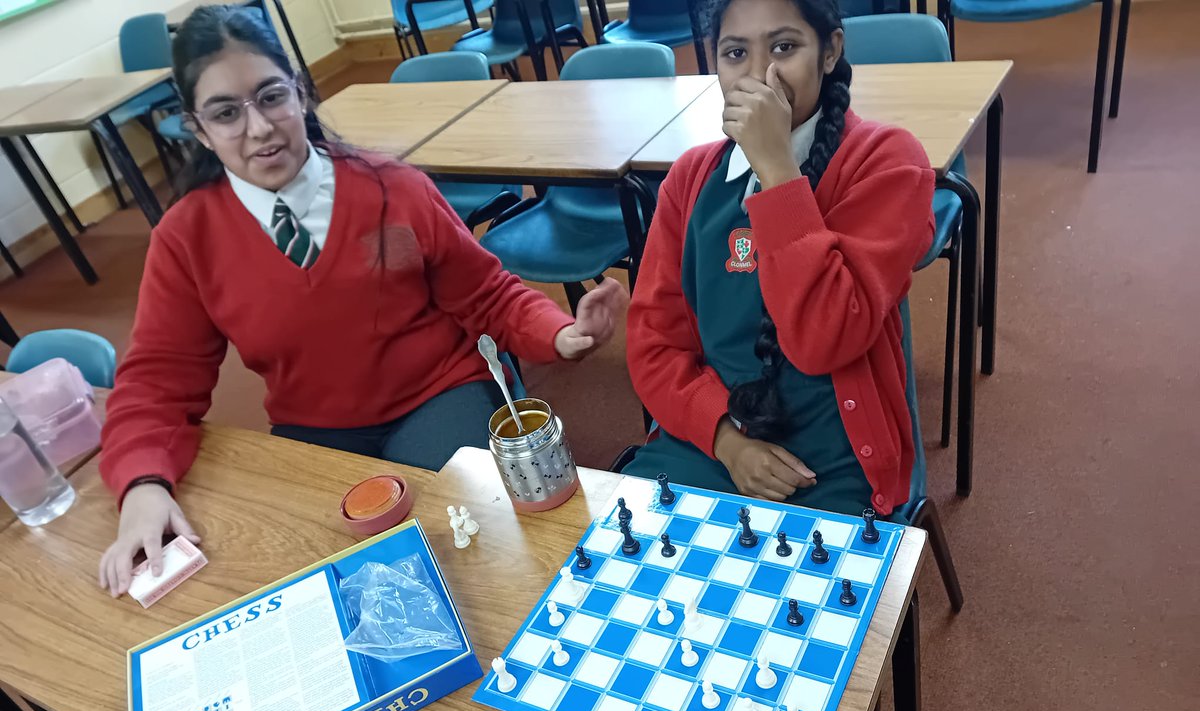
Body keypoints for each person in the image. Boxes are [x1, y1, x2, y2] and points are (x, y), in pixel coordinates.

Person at [98, 4, 625, 596]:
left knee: (476, 549)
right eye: (226, 114)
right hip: (317, 425)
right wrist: (143, 482)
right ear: (197, 129)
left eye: (272, 97)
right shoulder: (187, 235)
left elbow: (485, 293)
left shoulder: (392, 189)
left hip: (439, 394)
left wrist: (557, 333)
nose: (260, 128)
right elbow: (156, 379)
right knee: (333, 577)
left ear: (300, 92)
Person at [621, 0, 935, 518]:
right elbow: (654, 344)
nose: (759, 73)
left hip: (832, 459)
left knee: (798, 593)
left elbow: (823, 341)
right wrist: (726, 441)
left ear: (830, 51)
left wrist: (775, 169)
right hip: (712, 440)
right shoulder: (690, 180)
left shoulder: (886, 161)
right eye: (735, 52)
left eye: (784, 47)